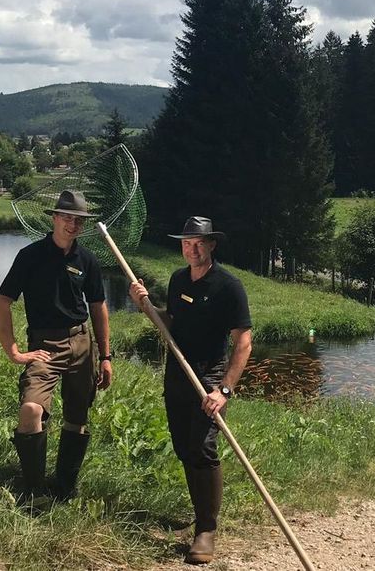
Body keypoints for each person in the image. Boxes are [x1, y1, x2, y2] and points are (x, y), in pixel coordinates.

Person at [129, 216, 252, 565]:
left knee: (202, 447)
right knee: (184, 447)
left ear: (211, 244)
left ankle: (207, 530)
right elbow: (170, 324)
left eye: (198, 243)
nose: (192, 249)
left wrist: (224, 390)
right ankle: (200, 513)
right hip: (177, 376)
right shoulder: (178, 279)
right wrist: (146, 306)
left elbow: (243, 343)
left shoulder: (229, 286)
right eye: (186, 243)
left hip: (210, 378)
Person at [0, 189, 112, 502]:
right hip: (44, 344)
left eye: (78, 221)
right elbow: (2, 302)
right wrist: (14, 351)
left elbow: (99, 307)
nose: (72, 225)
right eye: (67, 218)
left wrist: (106, 356)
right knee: (31, 409)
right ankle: (34, 491)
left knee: (78, 417)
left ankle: (64, 485)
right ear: (55, 218)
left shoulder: (87, 259)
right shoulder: (30, 256)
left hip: (83, 342)